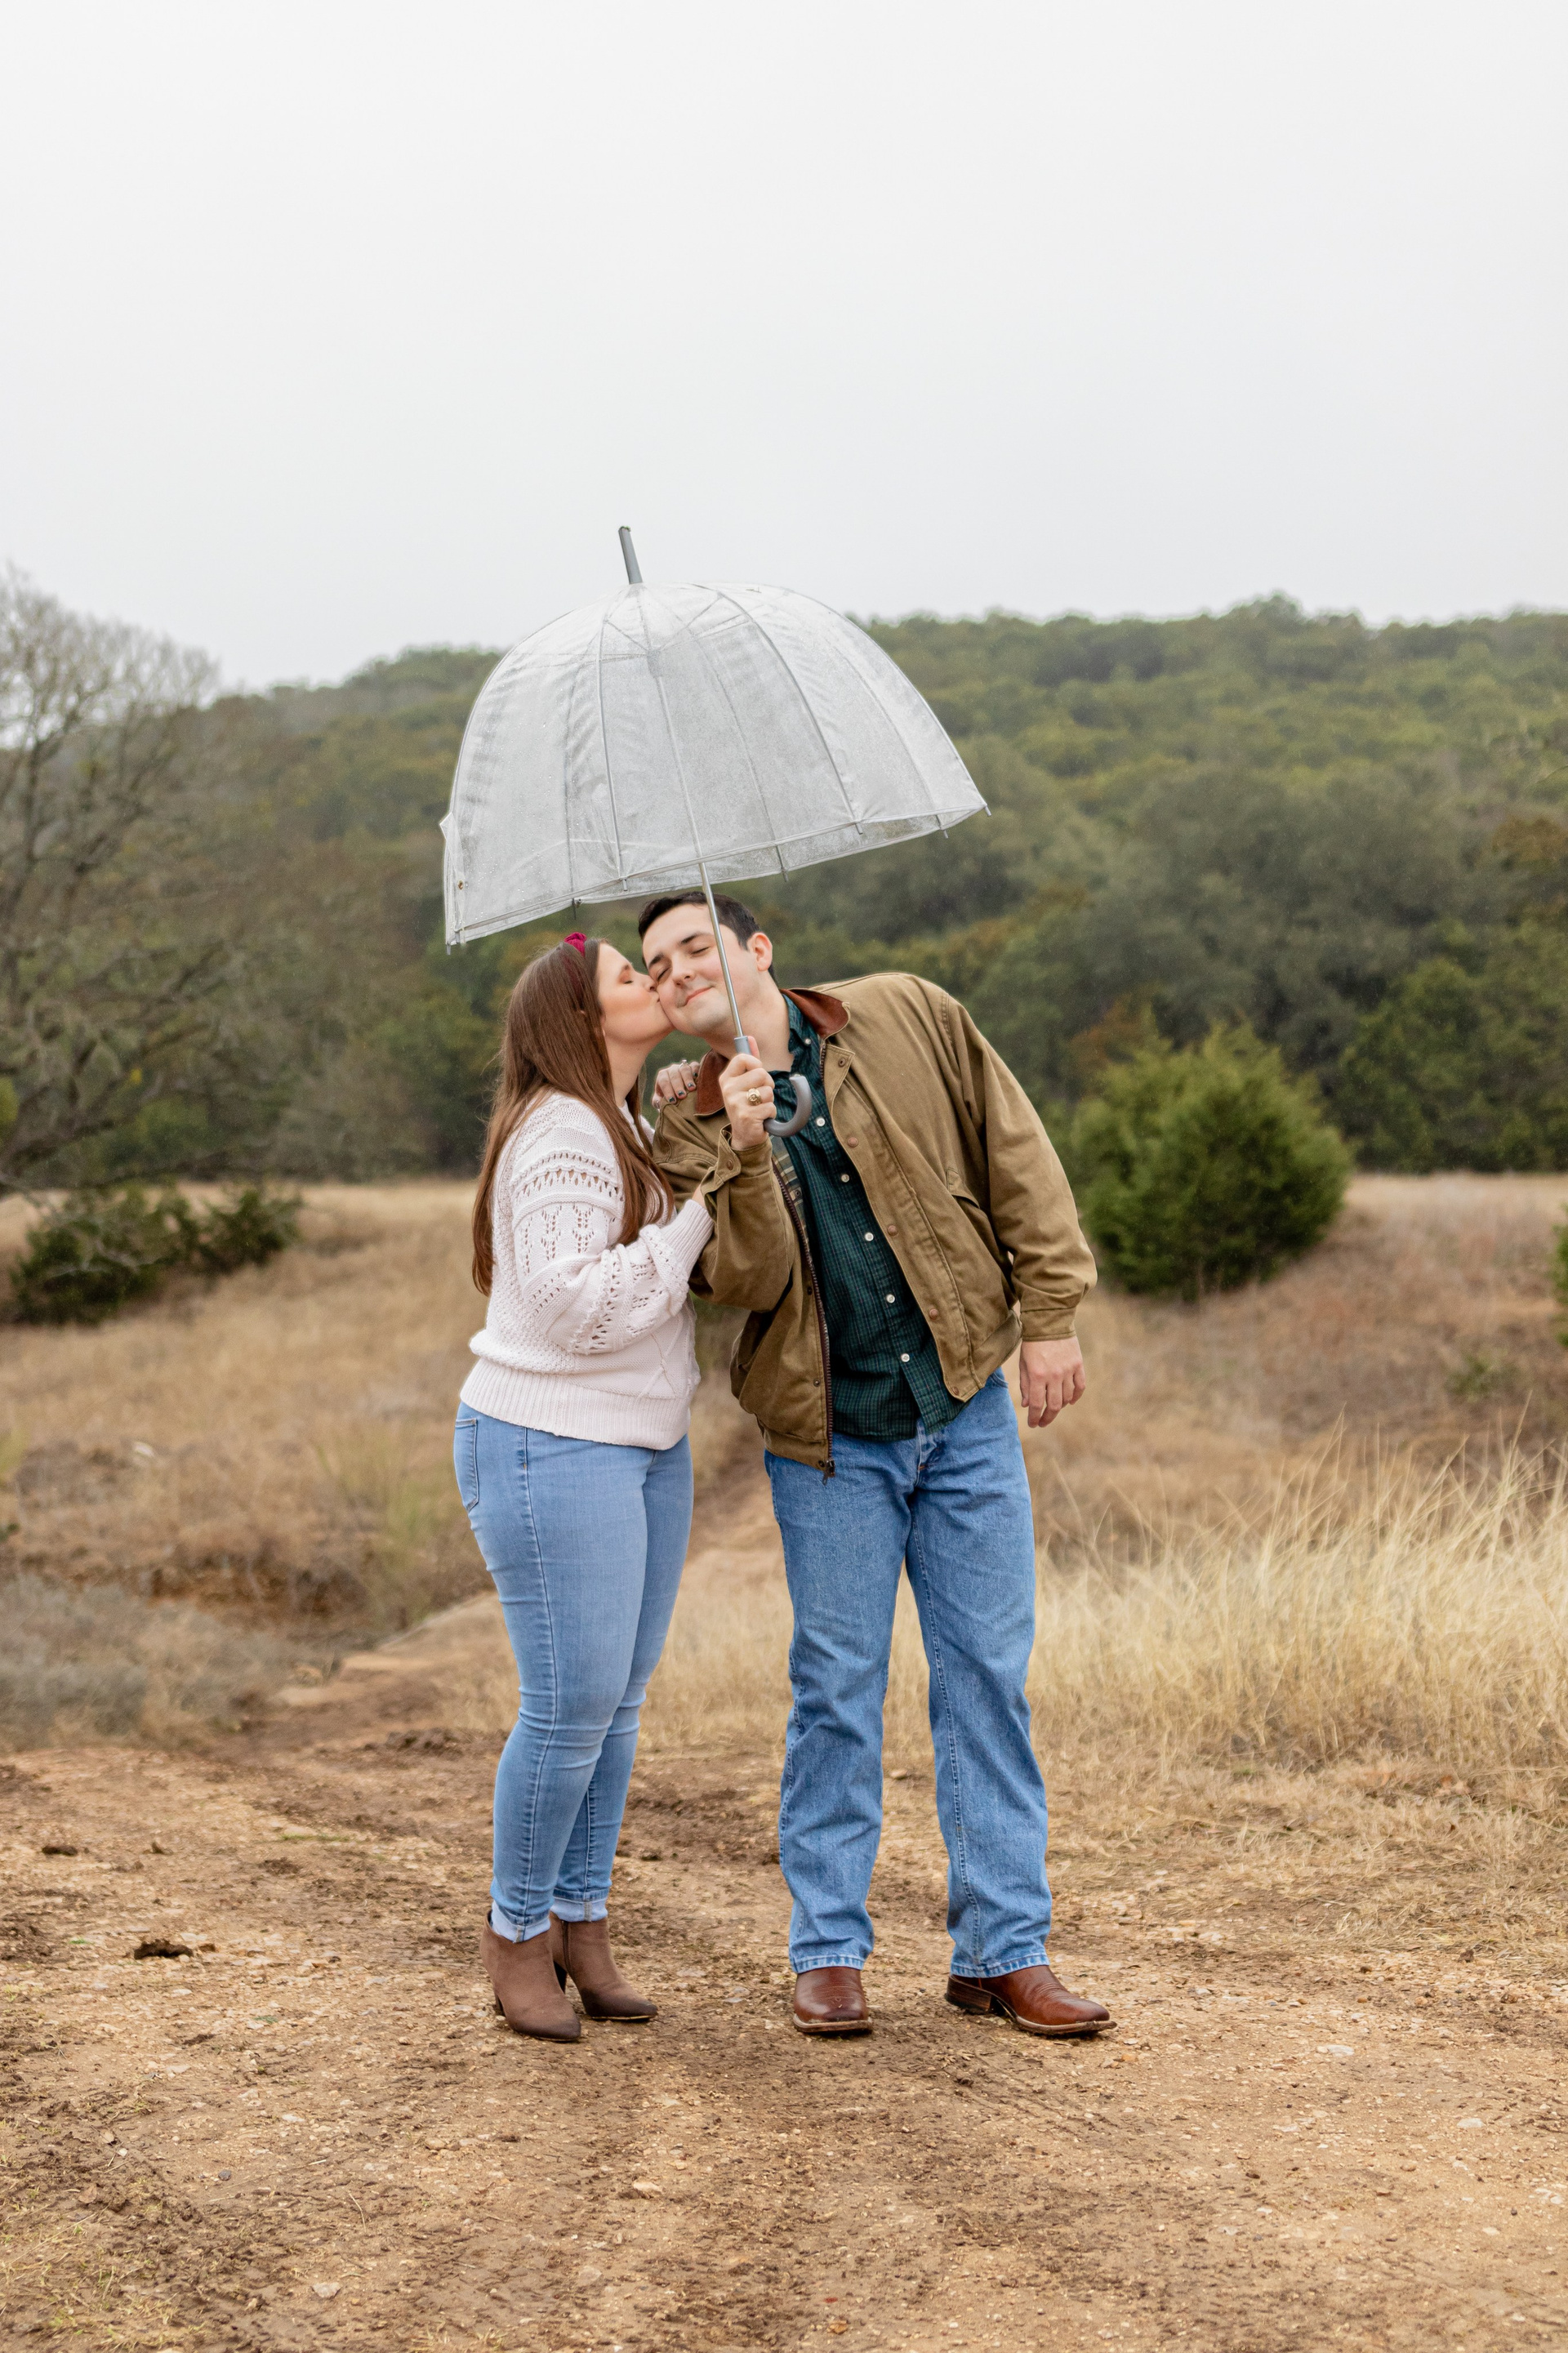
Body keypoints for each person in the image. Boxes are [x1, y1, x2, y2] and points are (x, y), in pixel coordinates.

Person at [641, 889, 1113, 2042]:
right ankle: (829, 1950)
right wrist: (741, 1146)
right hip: (830, 1441)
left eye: (696, 946)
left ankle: (1004, 1951)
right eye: (654, 968)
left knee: (986, 1677)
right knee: (838, 1689)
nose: (677, 972)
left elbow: (1015, 1151)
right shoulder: (682, 1125)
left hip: (962, 1404)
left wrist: (1051, 1314)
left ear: (757, 949)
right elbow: (742, 1283)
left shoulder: (907, 1013)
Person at [455, 930, 767, 2042]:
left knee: (616, 1705)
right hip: (552, 1440)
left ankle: (581, 1921)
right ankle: (515, 1932)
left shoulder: (621, 1121)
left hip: (641, 1443)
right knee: (569, 1703)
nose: (654, 981)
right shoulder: (562, 1135)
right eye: (630, 977)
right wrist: (697, 1209)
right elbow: (577, 1311)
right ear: (584, 1021)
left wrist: (702, 1113)